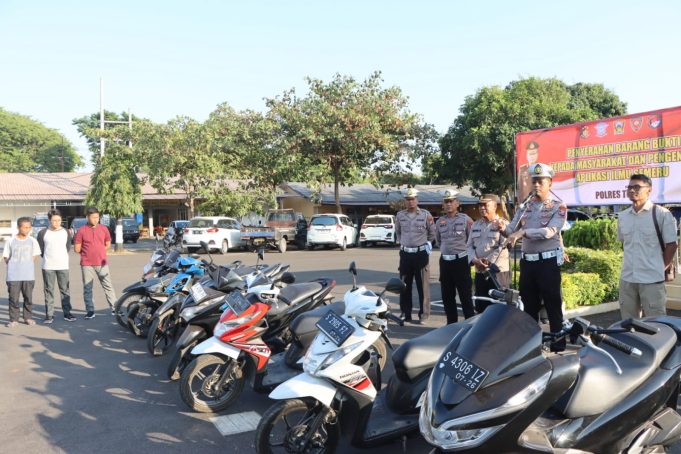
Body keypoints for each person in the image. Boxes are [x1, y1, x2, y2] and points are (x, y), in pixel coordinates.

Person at [498, 163, 567, 351]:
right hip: (528, 263)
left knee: (552, 306)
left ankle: (558, 346)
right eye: (534, 181)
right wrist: (502, 228)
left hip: (547, 263)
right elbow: (511, 230)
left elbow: (550, 231)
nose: (536, 185)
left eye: (540, 181)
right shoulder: (525, 206)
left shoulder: (558, 206)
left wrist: (523, 232)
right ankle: (532, 347)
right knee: (529, 307)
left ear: (550, 183)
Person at [618, 174, 678, 319]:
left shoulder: (661, 214)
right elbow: (624, 244)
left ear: (649, 190)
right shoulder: (623, 216)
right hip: (628, 279)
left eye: (637, 187)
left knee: (655, 322)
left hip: (652, 280)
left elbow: (672, 245)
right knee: (628, 323)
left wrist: (659, 267)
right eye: (629, 187)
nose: (632, 190)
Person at [395, 188, 436, 323]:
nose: (410, 202)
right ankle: (405, 313)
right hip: (405, 254)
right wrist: (403, 243)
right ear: (405, 201)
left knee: (422, 286)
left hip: (420, 254)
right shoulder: (400, 215)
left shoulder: (425, 215)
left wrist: (427, 244)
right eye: (408, 199)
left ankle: (424, 314)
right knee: (404, 285)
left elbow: (432, 233)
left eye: (412, 199)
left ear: (417, 200)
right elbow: (398, 232)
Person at [435, 189, 474, 323]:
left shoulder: (466, 220)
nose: (448, 204)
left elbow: (471, 240)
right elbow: (438, 241)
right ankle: (451, 324)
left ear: (457, 203)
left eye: (451, 201)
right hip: (445, 262)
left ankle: (469, 323)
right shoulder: (439, 222)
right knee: (447, 296)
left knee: (465, 295)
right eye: (446, 202)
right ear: (443, 204)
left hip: (461, 261)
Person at [467, 194, 510, 313]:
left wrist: (487, 262)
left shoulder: (503, 224)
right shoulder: (476, 225)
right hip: (480, 271)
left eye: (485, 205)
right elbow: (469, 246)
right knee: (481, 305)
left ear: (495, 206)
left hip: (498, 272)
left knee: (499, 307)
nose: (482, 208)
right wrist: (474, 260)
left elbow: (503, 246)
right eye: (480, 205)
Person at [73, 207, 117, 319]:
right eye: (93, 217)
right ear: (87, 217)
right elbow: (77, 249)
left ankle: (115, 308)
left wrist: (100, 251)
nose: (96, 219)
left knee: (108, 285)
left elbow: (108, 244)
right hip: (87, 264)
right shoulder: (81, 230)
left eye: (97, 217)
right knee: (88, 288)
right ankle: (90, 311)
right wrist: (88, 252)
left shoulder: (104, 229)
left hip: (102, 263)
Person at [37, 209, 75, 323]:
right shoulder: (43, 233)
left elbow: (67, 247)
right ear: (49, 220)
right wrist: (48, 257)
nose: (57, 222)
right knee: (48, 290)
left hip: (63, 265)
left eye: (59, 220)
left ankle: (67, 313)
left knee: (65, 290)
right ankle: (49, 315)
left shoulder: (66, 232)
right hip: (48, 266)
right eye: (54, 220)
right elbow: (41, 249)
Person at [3, 217, 41, 327]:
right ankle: (14, 320)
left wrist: (26, 264)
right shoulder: (10, 241)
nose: (27, 230)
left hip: (28, 275)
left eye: (29, 227)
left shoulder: (32, 240)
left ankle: (27, 318)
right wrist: (13, 265)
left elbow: (35, 255)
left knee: (28, 298)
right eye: (25, 227)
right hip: (13, 276)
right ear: (18, 228)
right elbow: (6, 256)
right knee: (13, 299)